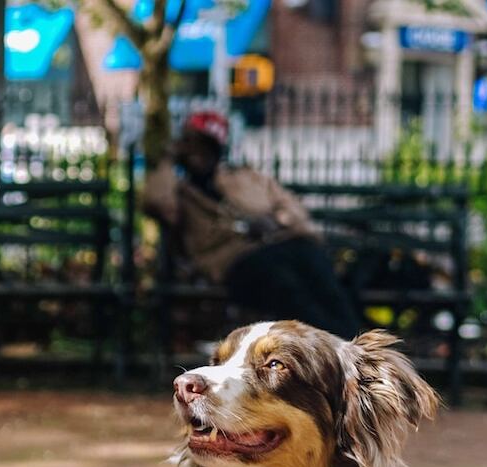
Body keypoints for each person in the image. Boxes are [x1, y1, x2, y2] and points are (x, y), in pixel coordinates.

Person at [144, 110, 363, 339]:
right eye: (191, 143)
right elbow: (155, 202)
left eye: (205, 145)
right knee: (284, 284)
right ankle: (332, 345)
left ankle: (351, 346)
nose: (197, 153)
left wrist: (276, 221)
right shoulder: (179, 192)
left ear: (217, 149)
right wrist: (168, 160)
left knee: (318, 269)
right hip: (234, 261)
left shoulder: (245, 178)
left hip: (281, 243)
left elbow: (292, 208)